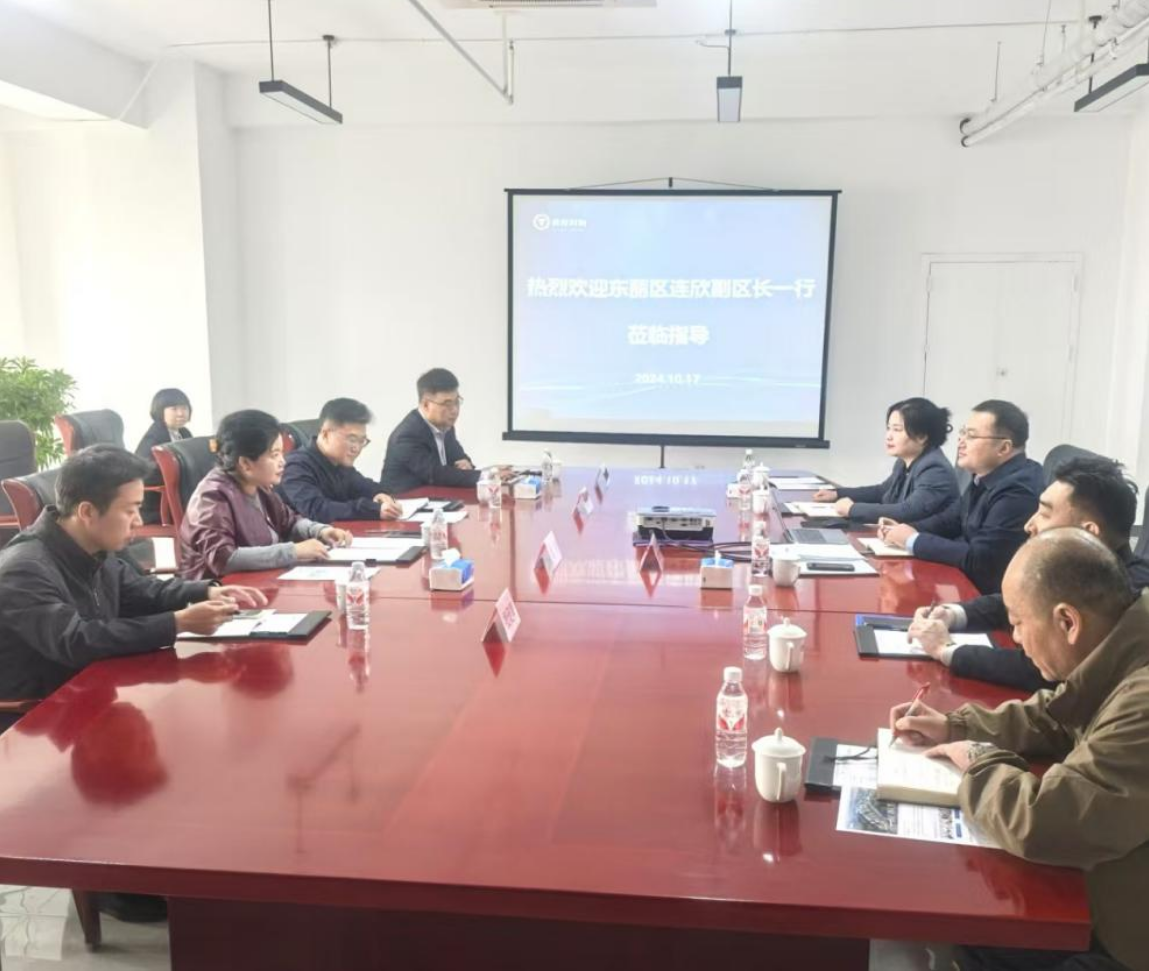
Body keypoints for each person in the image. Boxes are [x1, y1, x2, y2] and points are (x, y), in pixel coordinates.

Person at [889, 529, 1148, 971]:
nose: (1016, 637)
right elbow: (1058, 713)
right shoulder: (1121, 645)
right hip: (1109, 881)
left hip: (1126, 937)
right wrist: (955, 725)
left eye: (1019, 622)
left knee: (985, 925)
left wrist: (980, 761)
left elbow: (1049, 822)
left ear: (1067, 622)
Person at [0, 445, 266, 717]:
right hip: (40, 716)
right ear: (87, 512)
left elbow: (140, 591)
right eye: (130, 510)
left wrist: (206, 591)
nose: (139, 521)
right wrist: (178, 622)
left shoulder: (94, 546)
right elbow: (78, 641)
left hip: (96, 690)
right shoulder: (23, 570)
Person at [909, 456, 1149, 691]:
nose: (1029, 525)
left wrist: (946, 649)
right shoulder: (1079, 570)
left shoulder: (1125, 598)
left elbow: (1049, 669)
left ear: (1088, 533)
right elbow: (1020, 603)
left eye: (1044, 514)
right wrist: (952, 614)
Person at [878, 400, 1043, 594]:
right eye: (962, 433)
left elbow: (980, 560)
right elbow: (953, 519)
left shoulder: (1018, 492)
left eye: (971, 436)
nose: (961, 442)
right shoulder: (986, 475)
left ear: (1004, 448)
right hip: (967, 584)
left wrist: (913, 539)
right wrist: (906, 530)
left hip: (991, 597)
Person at [179, 410, 351, 581]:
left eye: (282, 453)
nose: (283, 461)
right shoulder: (211, 497)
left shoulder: (258, 485)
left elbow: (289, 522)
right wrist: (293, 551)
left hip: (260, 582)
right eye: (274, 455)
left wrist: (321, 531)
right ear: (245, 463)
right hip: (219, 591)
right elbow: (223, 559)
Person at [812, 397, 958, 525]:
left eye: (897, 430)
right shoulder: (904, 461)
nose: (888, 436)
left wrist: (852, 509)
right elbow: (882, 491)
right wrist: (837, 494)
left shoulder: (935, 469)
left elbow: (908, 511)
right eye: (888, 428)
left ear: (922, 436)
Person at [280, 398, 403, 522]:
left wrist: (380, 495)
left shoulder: (339, 463)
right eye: (352, 440)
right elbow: (316, 510)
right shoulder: (295, 466)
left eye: (362, 441)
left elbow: (365, 486)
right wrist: (373, 510)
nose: (357, 448)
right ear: (325, 434)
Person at [379, 368, 488, 495]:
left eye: (457, 402)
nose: (454, 410)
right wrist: (486, 476)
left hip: (437, 499)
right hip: (403, 502)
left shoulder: (445, 425)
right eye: (447, 404)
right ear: (426, 405)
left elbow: (459, 458)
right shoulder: (406, 436)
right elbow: (435, 474)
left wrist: (466, 465)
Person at [134, 388, 194, 524]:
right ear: (160, 411)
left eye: (184, 408)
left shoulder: (184, 433)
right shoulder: (154, 437)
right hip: (156, 504)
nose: (181, 413)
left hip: (178, 496)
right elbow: (146, 474)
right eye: (174, 409)